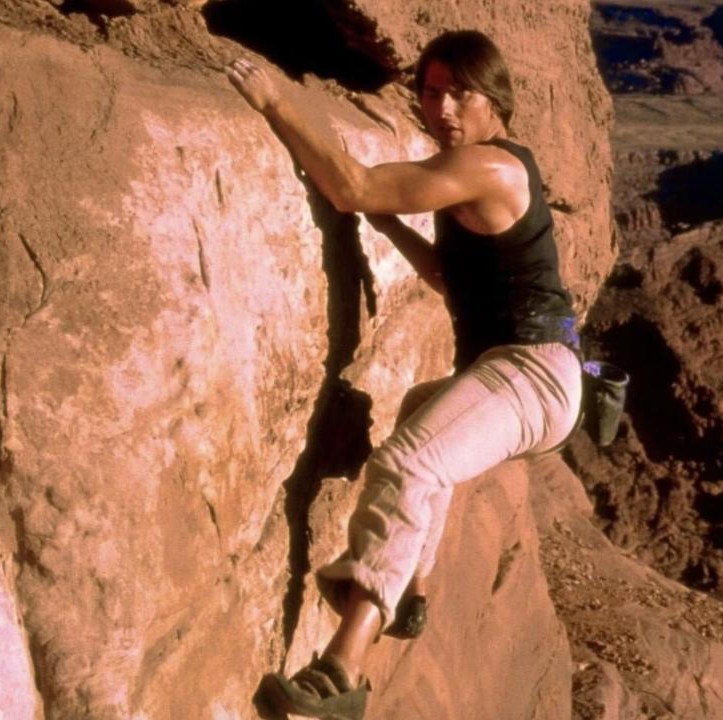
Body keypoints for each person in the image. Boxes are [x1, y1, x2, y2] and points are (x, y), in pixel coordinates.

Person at [226, 29, 582, 720]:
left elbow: (353, 184)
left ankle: (341, 676)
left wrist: (277, 103)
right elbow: (454, 278)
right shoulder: (479, 169)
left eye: (460, 93)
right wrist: (389, 229)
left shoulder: (491, 167)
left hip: (534, 371)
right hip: (524, 370)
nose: (441, 108)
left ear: (494, 99)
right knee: (423, 411)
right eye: (430, 91)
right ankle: (410, 590)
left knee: (407, 464)